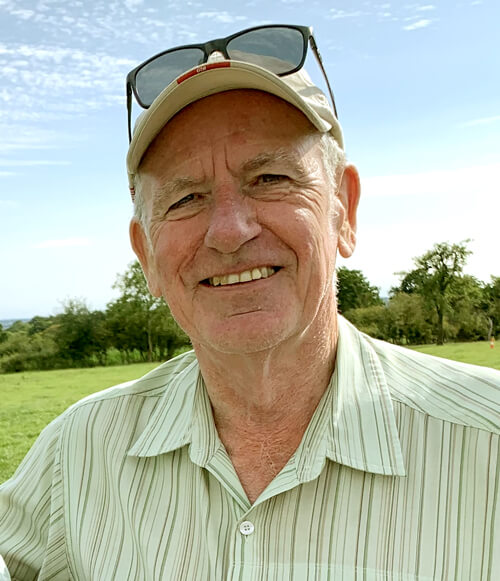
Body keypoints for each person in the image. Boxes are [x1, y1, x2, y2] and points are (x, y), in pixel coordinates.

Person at [1, 24, 499, 581]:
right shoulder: (78, 451)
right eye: (186, 198)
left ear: (343, 211)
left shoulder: (489, 442)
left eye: (269, 177)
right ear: (146, 255)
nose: (229, 231)